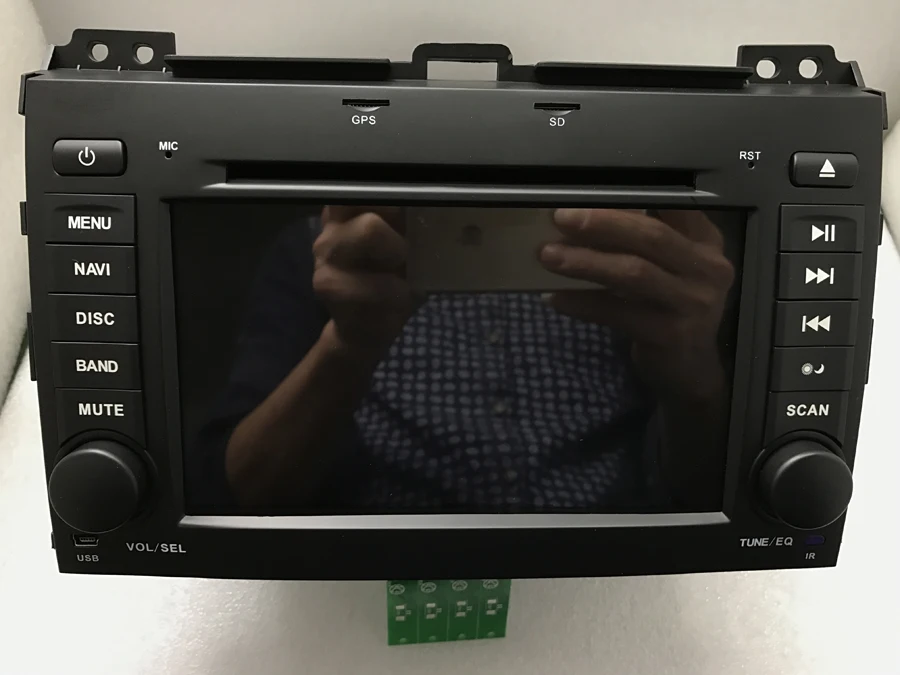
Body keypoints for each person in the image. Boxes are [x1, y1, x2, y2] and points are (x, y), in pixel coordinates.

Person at [189, 206, 736, 514]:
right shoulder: (333, 251)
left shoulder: (632, 250)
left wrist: (692, 374)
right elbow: (232, 494)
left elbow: (705, 496)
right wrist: (348, 345)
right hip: (377, 571)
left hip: (618, 571)